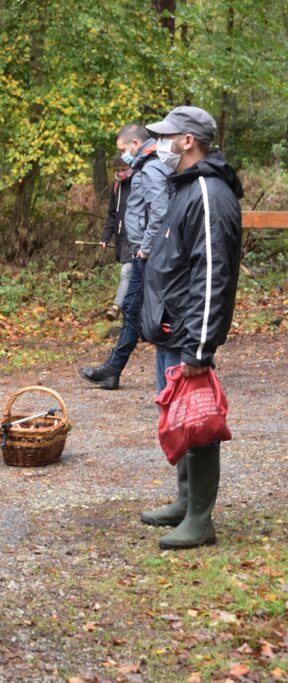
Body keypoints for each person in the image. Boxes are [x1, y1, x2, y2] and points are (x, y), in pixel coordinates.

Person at [138, 106, 242, 550]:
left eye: (167, 136)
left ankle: (201, 518)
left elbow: (212, 271)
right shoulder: (183, 186)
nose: (158, 143)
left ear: (188, 142)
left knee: (198, 420)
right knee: (180, 416)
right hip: (171, 326)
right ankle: (185, 500)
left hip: (187, 331)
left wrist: (198, 347)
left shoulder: (205, 190)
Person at [79, 123, 171, 389]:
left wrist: (146, 247)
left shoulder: (151, 168)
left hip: (147, 254)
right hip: (141, 251)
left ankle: (167, 373)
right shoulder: (145, 166)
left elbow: (160, 211)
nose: (122, 154)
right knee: (132, 310)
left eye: (123, 148)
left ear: (134, 144)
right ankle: (113, 369)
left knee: (142, 311)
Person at [98, 156, 134, 321]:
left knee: (126, 272)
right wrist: (105, 237)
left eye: (123, 169)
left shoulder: (138, 183)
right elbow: (112, 215)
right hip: (121, 238)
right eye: (117, 170)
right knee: (133, 277)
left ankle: (116, 306)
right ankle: (132, 316)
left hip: (136, 239)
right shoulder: (116, 187)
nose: (120, 173)